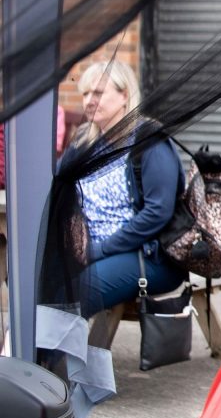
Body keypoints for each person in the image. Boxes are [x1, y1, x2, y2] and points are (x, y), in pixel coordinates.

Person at [65, 60, 187, 318]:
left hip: (148, 255)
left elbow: (158, 212)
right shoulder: (85, 141)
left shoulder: (149, 140)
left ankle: (39, 358)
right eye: (85, 94)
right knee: (32, 281)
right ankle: (23, 355)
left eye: (97, 93)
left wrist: (99, 250)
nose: (88, 101)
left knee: (73, 294)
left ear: (124, 95)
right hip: (89, 249)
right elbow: (57, 187)